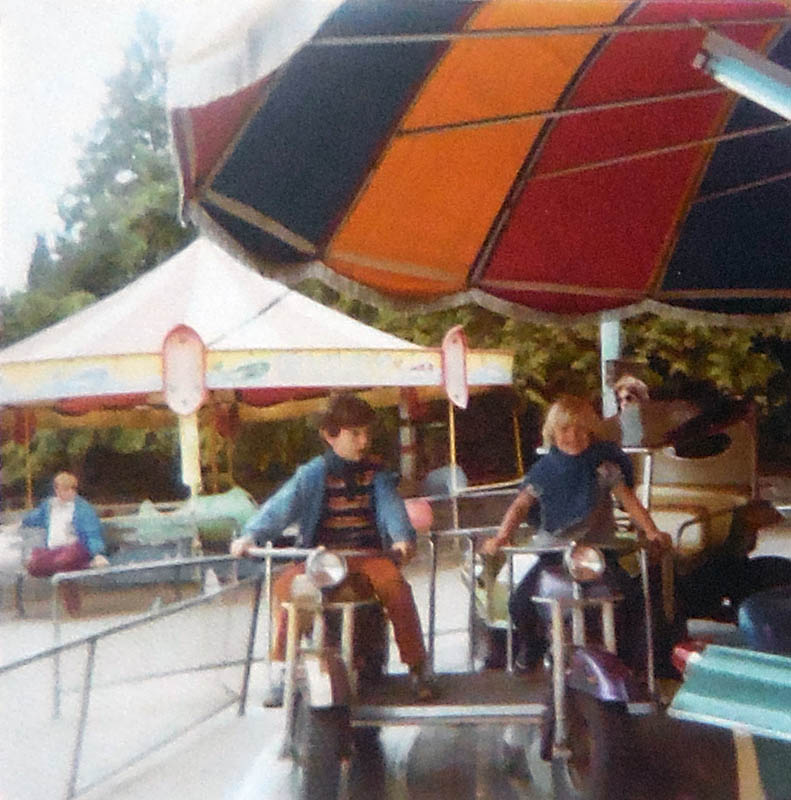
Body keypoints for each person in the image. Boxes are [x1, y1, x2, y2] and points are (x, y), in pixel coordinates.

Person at [231, 392, 434, 703]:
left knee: (396, 587)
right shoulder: (312, 474)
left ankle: (417, 666)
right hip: (322, 558)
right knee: (288, 590)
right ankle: (282, 670)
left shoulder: (376, 475)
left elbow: (392, 509)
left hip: (368, 556)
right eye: (355, 434)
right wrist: (250, 536)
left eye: (367, 433)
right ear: (330, 435)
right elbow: (280, 507)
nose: (364, 442)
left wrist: (401, 539)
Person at [482, 395, 672, 670]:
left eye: (582, 429)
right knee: (520, 603)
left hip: (598, 553)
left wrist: (652, 531)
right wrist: (501, 536)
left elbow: (629, 501)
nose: (574, 436)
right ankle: (533, 646)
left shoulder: (603, 467)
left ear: (592, 433)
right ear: (552, 433)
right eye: (565, 429)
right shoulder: (543, 471)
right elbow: (520, 506)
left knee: (634, 599)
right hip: (554, 553)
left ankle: (636, 661)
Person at [21, 471, 108, 615]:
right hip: (54, 552)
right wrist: (21, 522)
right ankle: (80, 568)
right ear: (56, 490)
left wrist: (97, 553)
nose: (66, 493)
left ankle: (73, 605)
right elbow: (34, 518)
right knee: (34, 565)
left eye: (70, 489)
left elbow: (92, 532)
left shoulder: (82, 508)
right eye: (62, 489)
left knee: (65, 561)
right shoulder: (49, 506)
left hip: (75, 549)